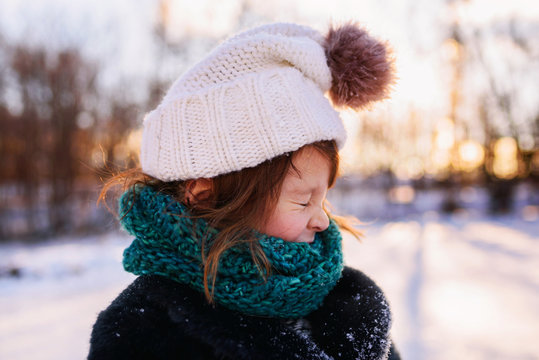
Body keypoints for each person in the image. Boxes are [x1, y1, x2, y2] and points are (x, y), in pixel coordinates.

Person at [88, 22, 400, 360]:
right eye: (303, 200)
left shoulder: (347, 304)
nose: (323, 221)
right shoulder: (145, 330)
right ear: (205, 194)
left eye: (322, 199)